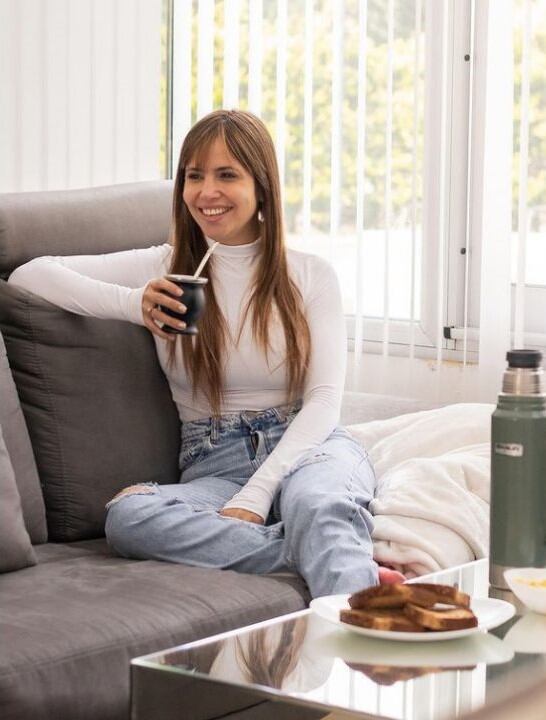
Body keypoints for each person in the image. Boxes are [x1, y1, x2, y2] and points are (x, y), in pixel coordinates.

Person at [8, 109, 403, 597]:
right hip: (215, 460)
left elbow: (324, 402)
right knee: (130, 518)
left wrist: (257, 498)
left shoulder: (311, 276)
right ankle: (321, 548)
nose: (205, 192)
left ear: (261, 186)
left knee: (318, 505)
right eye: (194, 176)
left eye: (226, 175)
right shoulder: (166, 267)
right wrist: (137, 305)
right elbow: (29, 273)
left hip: (308, 448)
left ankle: (350, 608)